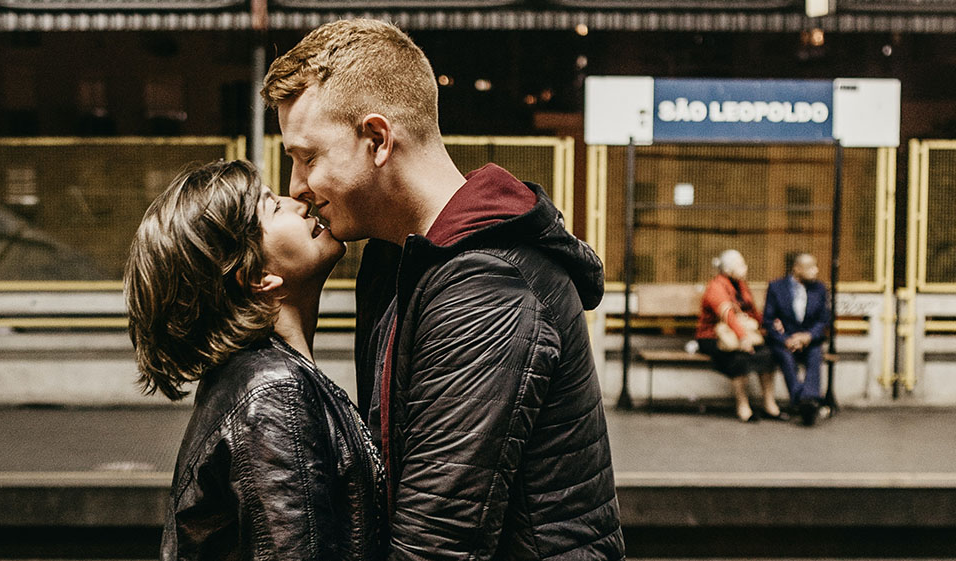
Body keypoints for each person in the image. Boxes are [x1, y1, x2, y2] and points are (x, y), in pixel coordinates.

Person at [263, 19, 624, 560]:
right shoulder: (404, 260)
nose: (295, 186)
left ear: (378, 140)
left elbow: (435, 544)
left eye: (308, 157)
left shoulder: (484, 285)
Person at [124, 160, 385, 560]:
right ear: (257, 276)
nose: (297, 201)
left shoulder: (261, 380)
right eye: (273, 206)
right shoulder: (274, 395)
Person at [695, 249, 781, 423]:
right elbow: (728, 316)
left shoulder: (741, 285)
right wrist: (743, 338)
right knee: (738, 358)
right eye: (740, 264)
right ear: (728, 269)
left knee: (768, 354)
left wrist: (768, 324)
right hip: (713, 337)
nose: (745, 267)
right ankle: (743, 406)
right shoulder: (716, 287)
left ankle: (769, 404)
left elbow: (752, 311)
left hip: (739, 335)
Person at [763, 253, 831, 426]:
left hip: (809, 340)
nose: (816, 270)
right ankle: (807, 402)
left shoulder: (820, 289)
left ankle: (804, 400)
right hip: (784, 341)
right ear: (796, 269)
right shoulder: (777, 287)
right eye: (811, 267)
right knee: (785, 357)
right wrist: (785, 339)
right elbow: (769, 320)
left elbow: (824, 320)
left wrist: (807, 337)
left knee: (815, 355)